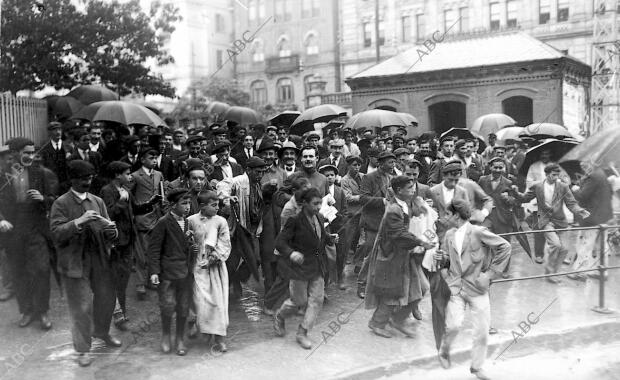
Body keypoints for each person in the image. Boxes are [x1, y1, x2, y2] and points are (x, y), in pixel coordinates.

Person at [49, 160, 121, 367]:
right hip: (74, 260)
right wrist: (79, 221)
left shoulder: (97, 200)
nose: (87, 182)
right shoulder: (61, 203)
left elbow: (110, 230)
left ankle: (102, 332)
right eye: (83, 179)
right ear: (72, 179)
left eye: (90, 178)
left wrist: (111, 231)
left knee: (106, 298)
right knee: (80, 306)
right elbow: (56, 234)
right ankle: (83, 349)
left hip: (98, 256)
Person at [436, 199, 511, 380]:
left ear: (456, 215)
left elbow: (505, 247)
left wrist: (490, 275)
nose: (445, 217)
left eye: (447, 214)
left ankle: (477, 367)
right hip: (456, 288)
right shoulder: (448, 235)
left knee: (482, 331)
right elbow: (447, 258)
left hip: (477, 288)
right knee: (453, 325)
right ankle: (444, 349)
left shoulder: (478, 232)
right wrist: (443, 263)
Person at [365, 176, 433, 338]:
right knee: (392, 293)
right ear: (399, 191)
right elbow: (398, 234)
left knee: (422, 288)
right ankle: (377, 323)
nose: (413, 190)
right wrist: (421, 242)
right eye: (409, 188)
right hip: (391, 256)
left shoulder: (406, 204)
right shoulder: (394, 209)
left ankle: (397, 319)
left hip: (404, 255)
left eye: (413, 187)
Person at [100, 161, 161, 330]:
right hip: (115, 242)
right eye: (127, 174)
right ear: (116, 175)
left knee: (124, 278)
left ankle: (121, 312)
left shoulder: (126, 190)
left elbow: (136, 209)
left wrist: (150, 202)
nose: (129, 176)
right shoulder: (107, 191)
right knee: (115, 278)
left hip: (128, 241)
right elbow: (107, 214)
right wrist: (120, 202)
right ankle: (118, 315)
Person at [273, 187, 336, 349]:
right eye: (315, 204)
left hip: (317, 266)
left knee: (316, 300)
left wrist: (330, 239)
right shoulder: (294, 220)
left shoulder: (320, 218)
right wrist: (291, 253)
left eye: (320, 204)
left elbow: (319, 237)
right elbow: (280, 243)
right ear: (304, 203)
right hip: (299, 268)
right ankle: (280, 316)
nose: (318, 207)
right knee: (298, 302)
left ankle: (303, 332)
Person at [6, 138, 58, 330]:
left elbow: (56, 199)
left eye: (32, 152)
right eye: (26, 152)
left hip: (36, 228)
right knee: (19, 272)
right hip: (13, 229)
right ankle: (27, 311)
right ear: (14, 154)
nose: (30, 156)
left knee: (41, 270)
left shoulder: (41, 173)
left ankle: (42, 311)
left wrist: (44, 198)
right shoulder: (3, 175)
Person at [514, 164, 590, 283]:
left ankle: (555, 272)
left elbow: (571, 203)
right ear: (547, 174)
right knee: (556, 245)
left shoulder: (563, 187)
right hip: (544, 220)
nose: (556, 177)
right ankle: (549, 273)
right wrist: (515, 192)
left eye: (557, 175)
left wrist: (579, 210)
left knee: (564, 249)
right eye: (553, 175)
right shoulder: (537, 186)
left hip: (560, 220)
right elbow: (524, 198)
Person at [148, 188, 194, 356]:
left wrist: (191, 246)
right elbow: (154, 249)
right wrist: (154, 271)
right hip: (167, 273)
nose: (188, 207)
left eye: (189, 203)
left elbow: (186, 246)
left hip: (184, 273)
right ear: (173, 205)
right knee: (167, 305)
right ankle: (166, 336)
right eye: (184, 203)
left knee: (183, 306)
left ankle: (179, 339)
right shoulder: (163, 222)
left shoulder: (188, 223)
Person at [188, 191, 231, 353]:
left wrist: (213, 258)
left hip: (216, 268)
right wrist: (190, 249)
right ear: (202, 206)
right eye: (213, 205)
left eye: (218, 205)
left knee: (218, 302)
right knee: (201, 300)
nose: (217, 208)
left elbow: (225, 244)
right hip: (197, 267)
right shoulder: (191, 221)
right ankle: (203, 327)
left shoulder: (221, 221)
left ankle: (219, 338)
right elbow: (185, 241)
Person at [356, 151, 396, 298]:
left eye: (394, 162)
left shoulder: (393, 177)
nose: (393, 165)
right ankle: (362, 285)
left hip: (388, 222)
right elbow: (362, 198)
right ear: (381, 163)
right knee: (370, 254)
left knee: (386, 254)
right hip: (372, 222)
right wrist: (382, 201)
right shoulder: (369, 177)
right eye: (390, 162)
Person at [569, 160, 613, 281]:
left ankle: (580, 272)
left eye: (584, 163)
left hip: (592, 217)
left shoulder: (593, 176)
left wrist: (574, 188)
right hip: (604, 216)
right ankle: (602, 272)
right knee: (601, 246)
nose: (582, 165)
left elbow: (583, 195)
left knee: (585, 244)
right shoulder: (601, 173)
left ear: (591, 162)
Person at [131, 148, 165, 300]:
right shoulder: (134, 176)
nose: (154, 160)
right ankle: (140, 283)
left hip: (157, 218)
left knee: (155, 250)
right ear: (142, 160)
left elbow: (163, 193)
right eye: (151, 157)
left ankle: (153, 279)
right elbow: (129, 196)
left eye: (156, 157)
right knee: (141, 253)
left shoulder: (158, 174)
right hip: (142, 218)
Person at [319, 164, 348, 289]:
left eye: (332, 175)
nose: (330, 177)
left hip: (338, 225)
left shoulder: (340, 191)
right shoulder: (319, 190)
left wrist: (339, 217)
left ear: (336, 176)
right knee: (325, 254)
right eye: (327, 175)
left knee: (340, 252)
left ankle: (340, 277)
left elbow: (345, 209)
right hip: (324, 225)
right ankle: (325, 280)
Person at [341, 155, 364, 267]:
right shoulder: (345, 180)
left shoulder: (364, 177)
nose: (357, 167)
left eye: (359, 165)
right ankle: (344, 259)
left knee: (363, 238)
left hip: (364, 212)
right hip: (352, 213)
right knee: (348, 237)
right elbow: (348, 197)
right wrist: (363, 197)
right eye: (354, 165)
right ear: (348, 165)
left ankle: (359, 260)